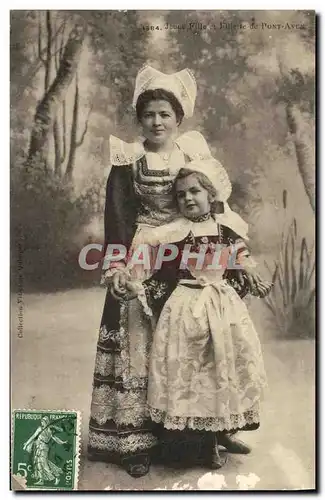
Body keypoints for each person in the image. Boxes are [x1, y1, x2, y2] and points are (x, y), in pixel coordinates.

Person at [87, 65, 245, 477]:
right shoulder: (128, 160)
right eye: (149, 115)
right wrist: (120, 267)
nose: (157, 122)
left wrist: (229, 250)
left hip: (189, 254)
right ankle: (134, 438)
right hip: (146, 253)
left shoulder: (193, 155)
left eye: (164, 114)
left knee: (198, 339)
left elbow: (215, 202)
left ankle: (210, 428)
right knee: (140, 340)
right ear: (140, 119)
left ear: (179, 118)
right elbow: (117, 218)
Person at [124, 160, 271, 469]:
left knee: (223, 367)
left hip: (221, 307)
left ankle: (224, 432)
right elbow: (157, 265)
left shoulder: (225, 228)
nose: (188, 198)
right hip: (187, 309)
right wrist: (135, 283)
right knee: (194, 373)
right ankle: (203, 444)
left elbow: (240, 254)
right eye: (180, 195)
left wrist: (250, 271)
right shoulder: (175, 233)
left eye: (195, 191)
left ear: (211, 193)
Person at [23, 416, 66, 486]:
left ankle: (56, 477)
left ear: (46, 422)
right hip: (38, 447)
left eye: (43, 421)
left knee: (44, 464)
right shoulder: (40, 428)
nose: (42, 422)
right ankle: (41, 480)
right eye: (41, 421)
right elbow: (33, 436)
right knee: (38, 463)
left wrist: (62, 442)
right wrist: (26, 444)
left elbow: (55, 438)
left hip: (44, 447)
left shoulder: (49, 430)